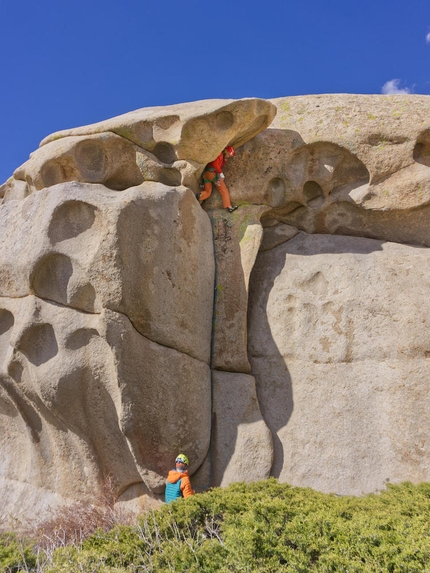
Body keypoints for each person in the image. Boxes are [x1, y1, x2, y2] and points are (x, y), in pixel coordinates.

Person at [197, 146, 238, 213]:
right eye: (228, 154)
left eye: (229, 155)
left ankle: (198, 196)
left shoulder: (222, 157)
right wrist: (221, 174)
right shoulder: (220, 154)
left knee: (208, 192)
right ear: (226, 151)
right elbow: (215, 164)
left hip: (206, 175)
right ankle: (229, 207)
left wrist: (224, 160)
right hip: (212, 174)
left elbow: (219, 166)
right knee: (223, 189)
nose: (228, 156)